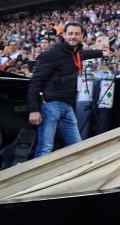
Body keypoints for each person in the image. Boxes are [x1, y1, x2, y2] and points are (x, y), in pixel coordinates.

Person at [27, 21, 104, 157]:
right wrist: (34, 109)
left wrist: (102, 53)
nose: (73, 37)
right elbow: (35, 82)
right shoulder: (52, 53)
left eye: (76, 34)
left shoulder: (76, 53)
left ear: (82, 36)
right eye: (70, 34)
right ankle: (39, 178)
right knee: (45, 147)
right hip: (51, 106)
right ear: (63, 35)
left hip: (68, 106)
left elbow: (86, 54)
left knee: (77, 147)